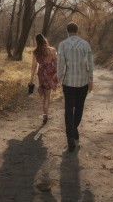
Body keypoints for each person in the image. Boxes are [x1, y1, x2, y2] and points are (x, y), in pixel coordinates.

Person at [57, 22, 93, 152]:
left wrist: (58, 78)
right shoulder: (85, 44)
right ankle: (73, 132)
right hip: (82, 82)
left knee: (68, 109)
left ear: (67, 31)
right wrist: (91, 80)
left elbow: (60, 63)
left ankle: (70, 136)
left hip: (68, 82)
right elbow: (90, 63)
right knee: (79, 108)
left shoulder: (62, 44)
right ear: (77, 31)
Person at [29, 33, 59, 125]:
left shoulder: (35, 52)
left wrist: (31, 79)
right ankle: (46, 113)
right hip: (50, 74)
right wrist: (57, 74)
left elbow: (34, 66)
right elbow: (56, 62)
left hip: (41, 74)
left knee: (44, 95)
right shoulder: (52, 49)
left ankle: (45, 114)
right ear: (44, 40)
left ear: (37, 42)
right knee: (48, 96)